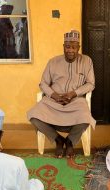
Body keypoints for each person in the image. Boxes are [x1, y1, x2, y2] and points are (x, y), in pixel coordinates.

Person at [27, 30, 95, 158]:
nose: (70, 50)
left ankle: (70, 142)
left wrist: (73, 94)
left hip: (75, 100)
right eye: (68, 47)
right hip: (54, 100)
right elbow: (43, 84)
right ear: (63, 47)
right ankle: (58, 140)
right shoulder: (53, 61)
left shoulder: (87, 61)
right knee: (33, 115)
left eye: (74, 47)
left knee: (86, 118)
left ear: (78, 48)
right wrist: (55, 96)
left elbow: (91, 84)